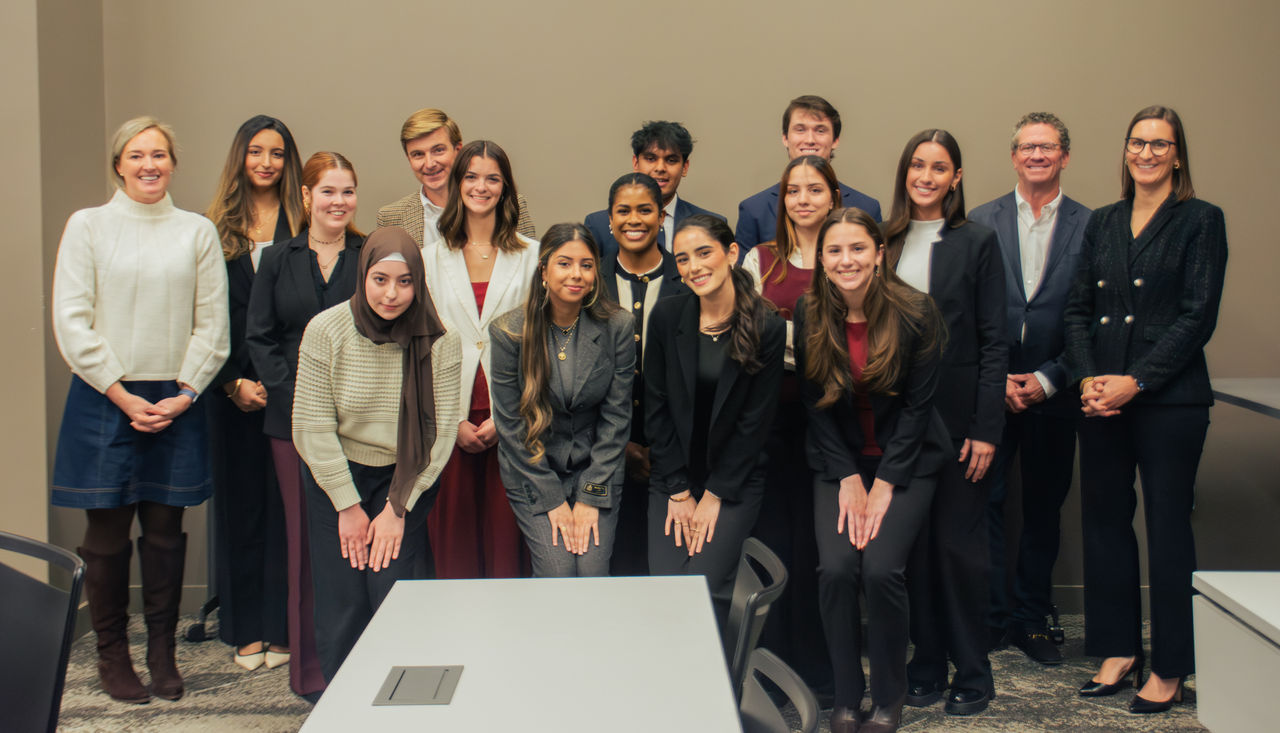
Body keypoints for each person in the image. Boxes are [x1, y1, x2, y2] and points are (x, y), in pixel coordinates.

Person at [51, 116, 229, 703]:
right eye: (137, 155)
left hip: (177, 397)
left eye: (159, 154)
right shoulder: (89, 227)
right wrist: (123, 394)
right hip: (107, 397)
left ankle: (162, 652)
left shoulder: (196, 231)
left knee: (164, 533)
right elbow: (72, 321)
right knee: (104, 534)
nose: (149, 164)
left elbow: (213, 326)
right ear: (118, 165)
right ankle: (113, 655)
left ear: (172, 163)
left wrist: (184, 394)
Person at [1064, 105, 1227, 714]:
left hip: (1169, 401)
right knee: (1105, 522)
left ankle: (1170, 667)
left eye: (1161, 144)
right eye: (1139, 142)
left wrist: (1136, 380)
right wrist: (1087, 380)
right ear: (1126, 151)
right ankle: (1117, 650)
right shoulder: (1103, 221)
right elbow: (1077, 309)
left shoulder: (1200, 220)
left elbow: (1197, 317)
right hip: (1100, 399)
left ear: (1177, 154)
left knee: (1166, 528)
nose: (1148, 153)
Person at [795, 207, 950, 733]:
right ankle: (845, 697)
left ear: (879, 254)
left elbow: (919, 409)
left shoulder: (917, 311)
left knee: (882, 571)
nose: (846, 260)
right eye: (834, 250)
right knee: (836, 570)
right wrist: (848, 479)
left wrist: (883, 485)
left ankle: (888, 698)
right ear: (821, 258)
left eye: (858, 248)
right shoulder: (809, 312)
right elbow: (814, 406)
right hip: (838, 462)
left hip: (906, 460)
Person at [292, 226, 461, 681]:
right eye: (380, 280)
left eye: (405, 282)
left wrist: (396, 508)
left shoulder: (441, 340)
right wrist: (347, 506)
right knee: (344, 599)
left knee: (396, 593)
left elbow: (441, 433)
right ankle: (343, 710)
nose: (391, 294)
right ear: (363, 275)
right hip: (337, 477)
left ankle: (405, 707)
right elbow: (310, 425)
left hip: (407, 478)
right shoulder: (326, 330)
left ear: (418, 282)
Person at [883, 129, 1007, 716]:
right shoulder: (883, 240)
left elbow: (993, 343)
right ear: (905, 173)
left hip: (960, 424)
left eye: (939, 167)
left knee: (960, 551)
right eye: (917, 165)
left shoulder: (977, 242)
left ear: (956, 177)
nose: (926, 177)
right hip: (898, 423)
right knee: (913, 553)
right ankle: (926, 665)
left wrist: (986, 428)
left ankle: (974, 674)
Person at [969, 112, 1091, 665]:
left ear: (1064, 156)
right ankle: (992, 619)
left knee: (1043, 509)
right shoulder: (980, 219)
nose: (1036, 155)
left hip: (1056, 390)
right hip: (991, 390)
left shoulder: (1092, 226)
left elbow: (1090, 319)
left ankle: (1031, 618)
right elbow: (965, 313)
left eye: (1047, 147)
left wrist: (1047, 379)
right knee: (985, 504)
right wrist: (994, 382)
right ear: (1014, 156)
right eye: (1026, 147)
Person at [245, 151, 364, 699]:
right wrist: (303, 400)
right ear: (306, 197)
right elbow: (260, 337)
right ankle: (312, 673)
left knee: (353, 546)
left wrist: (337, 405)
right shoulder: (276, 257)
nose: (338, 202)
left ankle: (361, 661)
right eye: (328, 191)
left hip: (360, 424)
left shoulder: (369, 255)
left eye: (347, 192)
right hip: (290, 423)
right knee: (305, 547)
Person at [645, 214, 785, 625]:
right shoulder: (668, 317)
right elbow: (656, 409)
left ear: (732, 253)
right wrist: (679, 491)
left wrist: (714, 496)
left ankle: (717, 684)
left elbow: (754, 426)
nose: (694, 267)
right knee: (669, 588)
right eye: (683, 258)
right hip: (673, 479)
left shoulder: (766, 326)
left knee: (703, 587)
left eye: (704, 253)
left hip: (733, 481)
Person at [205, 114, 304, 672]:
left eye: (277, 153)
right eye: (256, 151)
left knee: (288, 511)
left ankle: (281, 624)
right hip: (234, 392)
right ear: (240, 157)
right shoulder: (213, 227)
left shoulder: (304, 221)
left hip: (293, 390)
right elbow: (204, 317)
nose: (266, 162)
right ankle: (244, 627)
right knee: (243, 510)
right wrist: (231, 382)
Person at [739, 154, 840, 692]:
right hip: (773, 416)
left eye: (815, 189)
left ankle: (822, 673)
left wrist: (789, 335)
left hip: (831, 414)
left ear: (833, 197)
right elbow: (751, 336)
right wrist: (800, 341)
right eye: (793, 190)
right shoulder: (761, 259)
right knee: (774, 543)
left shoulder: (847, 252)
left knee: (821, 548)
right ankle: (771, 669)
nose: (803, 199)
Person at [489, 223, 634, 576]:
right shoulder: (509, 331)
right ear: (544, 270)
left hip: (596, 468)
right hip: (534, 470)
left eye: (586, 265)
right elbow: (511, 427)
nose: (577, 274)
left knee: (592, 572)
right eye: (564, 263)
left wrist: (590, 495)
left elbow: (617, 419)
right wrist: (553, 500)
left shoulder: (618, 326)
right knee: (558, 572)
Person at [424, 140, 540, 578]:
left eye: (492, 178)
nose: (481, 186)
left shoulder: (531, 256)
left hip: (510, 412)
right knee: (453, 543)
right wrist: (452, 420)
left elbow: (538, 345)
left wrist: (507, 416)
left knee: (506, 539)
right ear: (457, 185)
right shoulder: (429, 258)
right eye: (471, 176)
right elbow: (425, 346)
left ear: (506, 187)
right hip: (449, 416)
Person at [594, 173, 689, 575]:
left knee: (664, 568)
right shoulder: (589, 282)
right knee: (612, 566)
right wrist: (623, 447)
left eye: (645, 209)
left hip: (674, 456)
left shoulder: (687, 279)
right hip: (602, 452)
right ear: (610, 220)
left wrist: (657, 449)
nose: (635, 219)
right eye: (624, 211)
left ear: (662, 216)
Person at [735, 95, 881, 253]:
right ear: (785, 138)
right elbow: (743, 277)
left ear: (835, 140)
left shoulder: (867, 208)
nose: (810, 139)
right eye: (800, 130)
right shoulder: (754, 210)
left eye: (820, 130)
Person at [376, 108, 536, 249]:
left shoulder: (506, 204)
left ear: (458, 150)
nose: (429, 163)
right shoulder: (391, 217)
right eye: (418, 154)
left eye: (438, 150)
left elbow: (533, 273)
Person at [584, 121, 724, 258]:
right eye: (651, 159)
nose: (660, 168)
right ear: (636, 163)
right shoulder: (598, 224)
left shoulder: (711, 225)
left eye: (671, 160)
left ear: (685, 167)